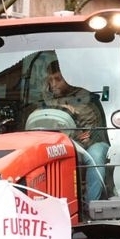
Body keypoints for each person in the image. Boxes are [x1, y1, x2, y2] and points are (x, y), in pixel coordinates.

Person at [43, 60, 109, 201]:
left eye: (58, 79)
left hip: (91, 143)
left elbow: (93, 129)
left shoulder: (86, 97)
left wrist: (81, 140)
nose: (53, 84)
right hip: (60, 145)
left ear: (69, 78)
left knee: (95, 157)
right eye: (50, 80)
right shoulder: (43, 102)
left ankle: (91, 204)